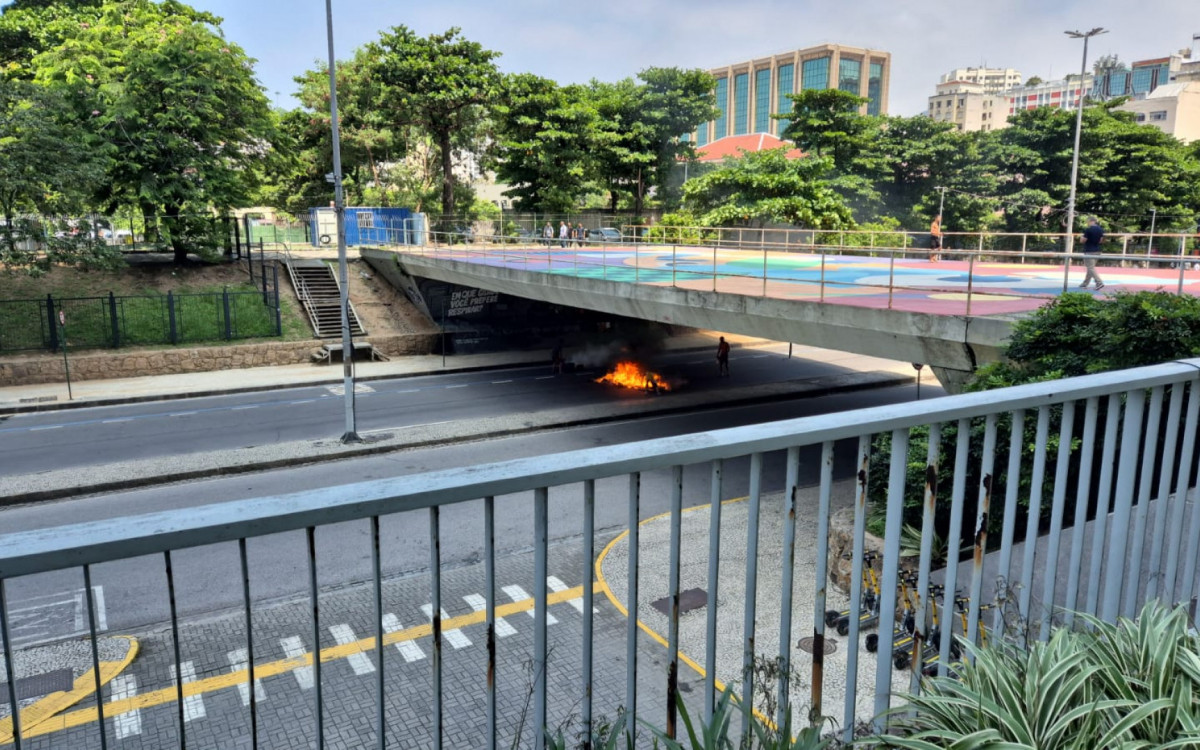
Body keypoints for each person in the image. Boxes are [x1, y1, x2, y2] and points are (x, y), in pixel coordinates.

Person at [1079, 216, 1105, 290]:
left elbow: (1083, 241)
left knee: (1090, 268)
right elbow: (1101, 240)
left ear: (1090, 221)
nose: (1087, 223)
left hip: (1089, 251)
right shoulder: (1101, 229)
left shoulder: (1088, 230)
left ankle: (1099, 282)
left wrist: (1081, 238)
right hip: (1097, 250)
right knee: (1090, 268)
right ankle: (1085, 283)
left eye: (1087, 221)